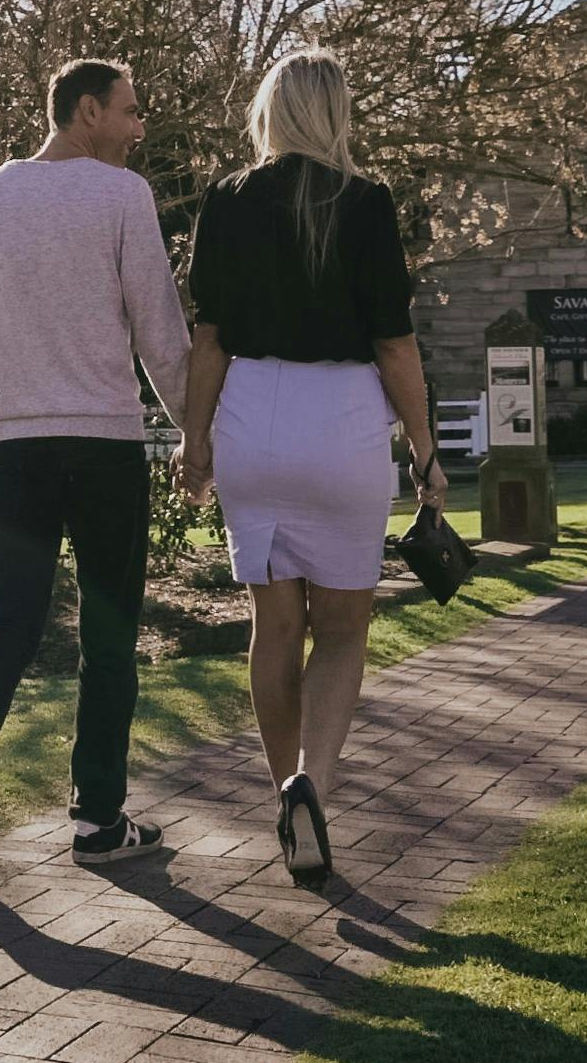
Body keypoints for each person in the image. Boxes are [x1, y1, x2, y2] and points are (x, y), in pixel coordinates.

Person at [0, 57, 192, 886]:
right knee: (110, 635)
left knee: (10, 619)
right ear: (85, 111)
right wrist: (200, 436)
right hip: (105, 448)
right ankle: (100, 821)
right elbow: (161, 333)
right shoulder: (122, 196)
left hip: (15, 449)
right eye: (130, 111)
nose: (140, 127)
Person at [177, 49, 444, 892]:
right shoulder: (365, 202)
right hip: (342, 423)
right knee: (344, 629)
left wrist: (194, 440)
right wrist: (426, 450)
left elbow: (209, 338)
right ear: (336, 114)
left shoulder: (225, 199)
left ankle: (283, 792)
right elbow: (395, 344)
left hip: (252, 417)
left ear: (271, 111)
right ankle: (312, 787)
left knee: (275, 626)